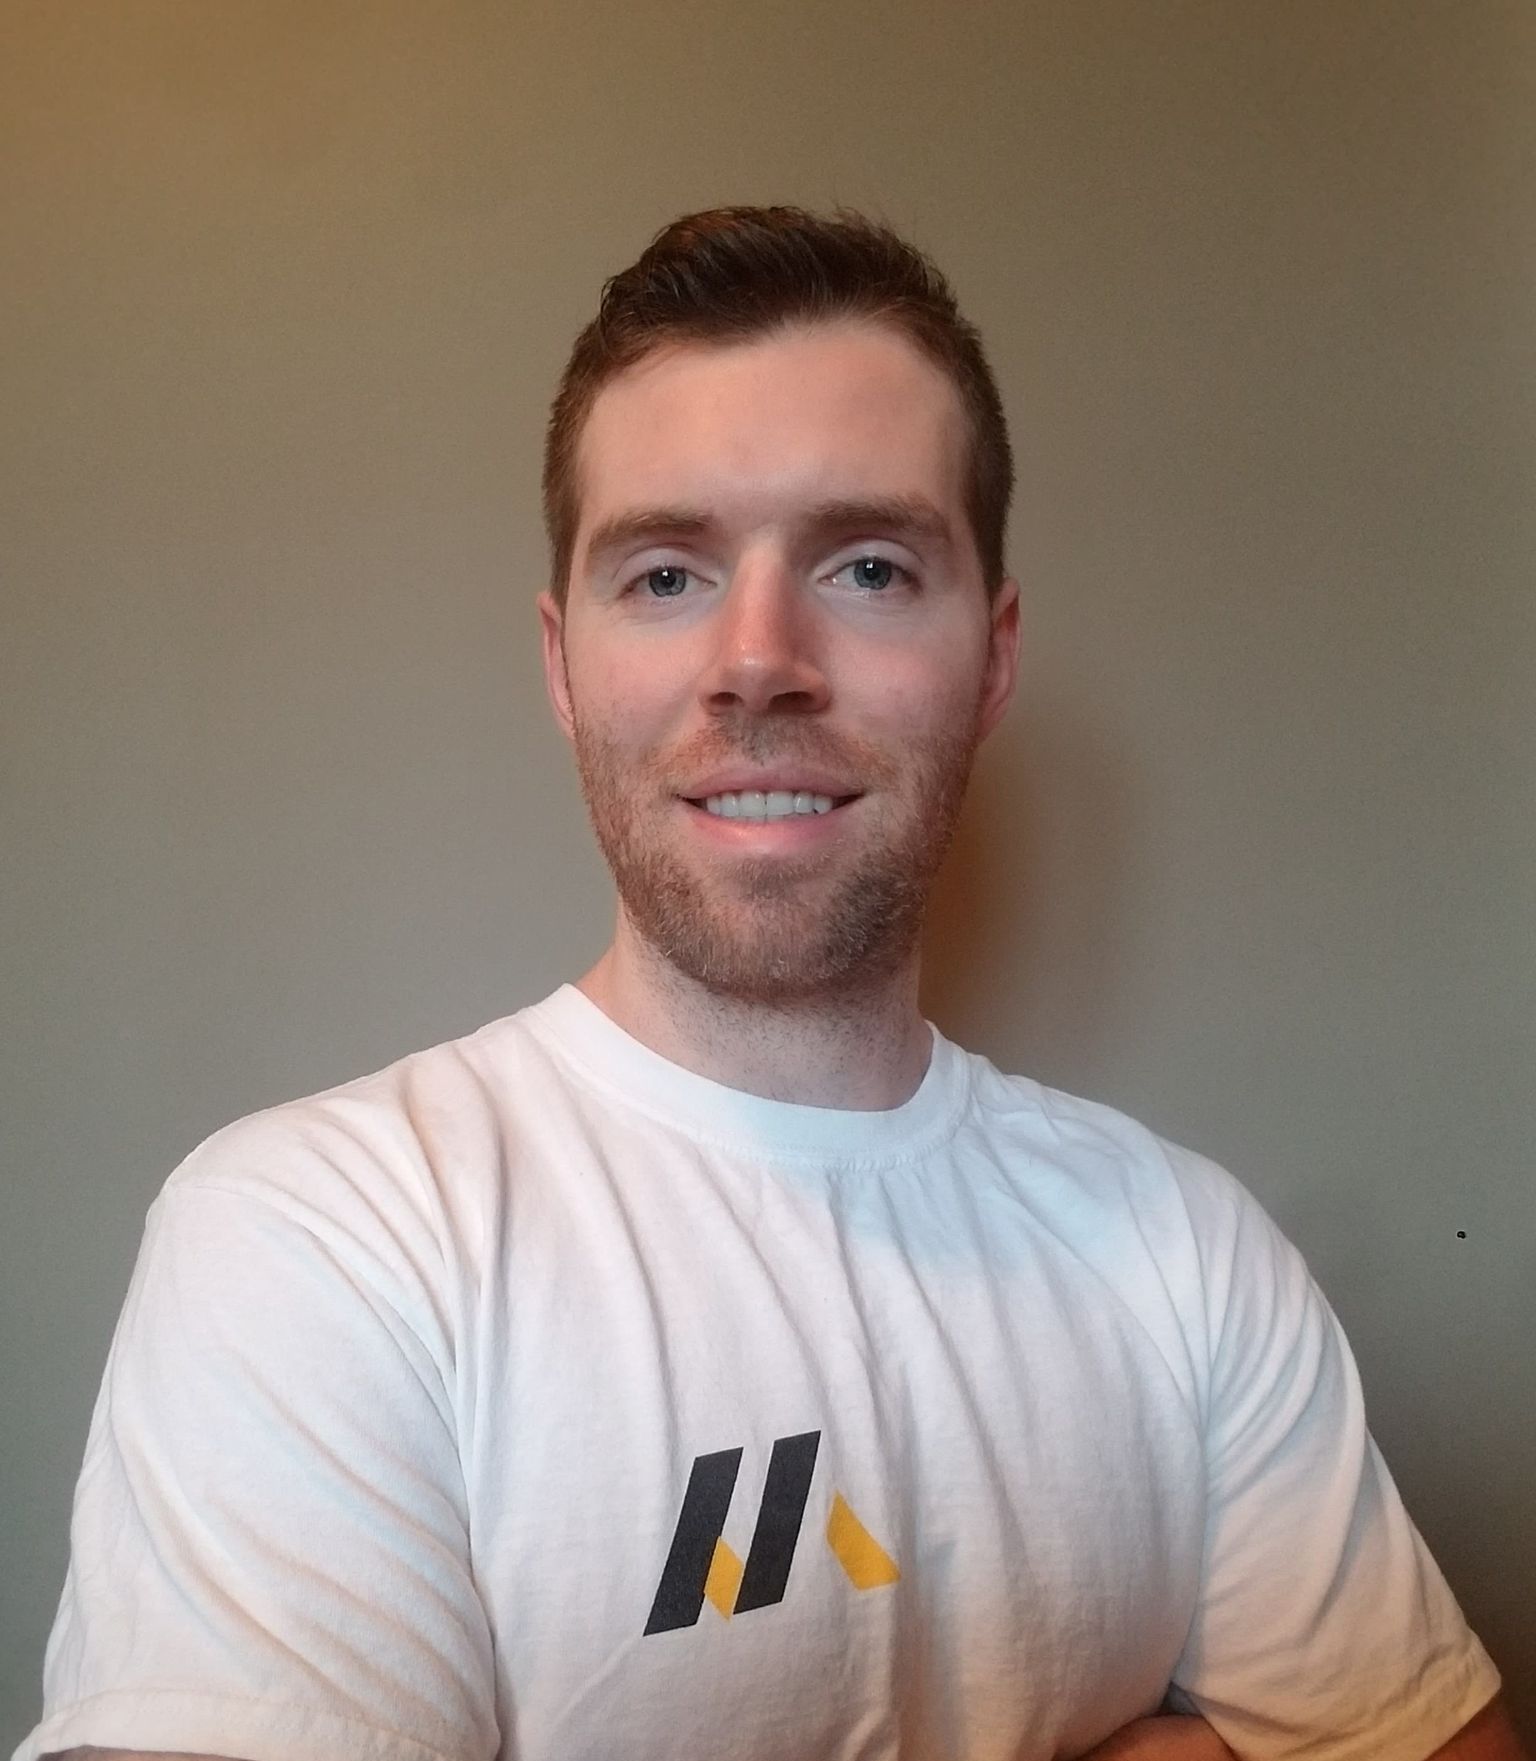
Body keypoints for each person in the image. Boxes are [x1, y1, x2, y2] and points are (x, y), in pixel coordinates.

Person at [17, 207, 1524, 1761]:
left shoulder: (1189, 1254)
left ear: (993, 656)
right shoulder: (327, 1238)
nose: (756, 660)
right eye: (664, 574)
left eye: (868, 565)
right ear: (562, 663)